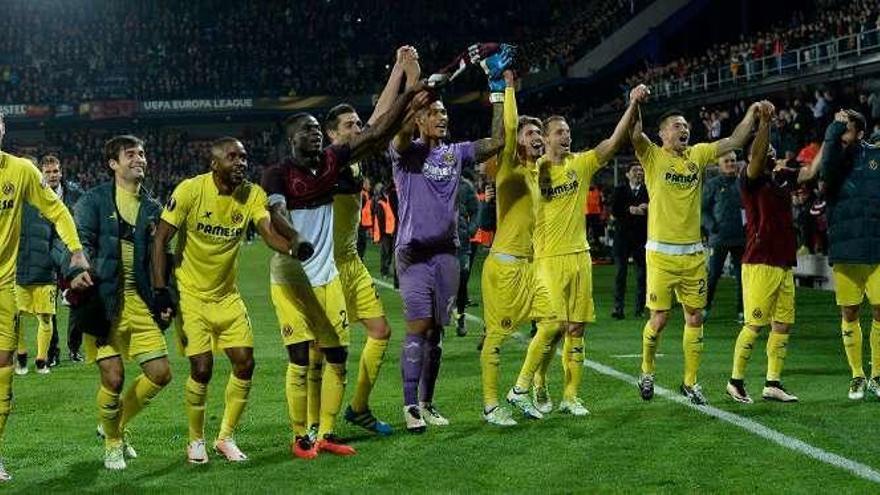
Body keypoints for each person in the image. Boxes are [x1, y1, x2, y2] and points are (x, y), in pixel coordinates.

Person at [262, 80, 429, 457]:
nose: (357, 128)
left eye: (358, 123)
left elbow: (377, 129)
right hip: (304, 270)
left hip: (343, 266)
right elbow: (276, 211)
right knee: (309, 356)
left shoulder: (338, 163)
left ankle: (338, 422)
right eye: (347, 125)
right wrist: (293, 240)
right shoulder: (301, 169)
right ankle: (306, 433)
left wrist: (409, 86)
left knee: (351, 346)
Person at [152, 137, 300, 464]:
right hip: (191, 295)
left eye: (244, 157)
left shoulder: (251, 195)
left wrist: (292, 247)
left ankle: (225, 437)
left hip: (227, 295)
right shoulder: (190, 190)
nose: (241, 163)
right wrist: (161, 290)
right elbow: (161, 238)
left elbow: (268, 232)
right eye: (232, 157)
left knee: (245, 362)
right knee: (202, 369)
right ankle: (195, 441)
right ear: (214, 163)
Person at [507, 84, 646, 418]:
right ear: (546, 137)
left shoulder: (580, 164)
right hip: (546, 260)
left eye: (568, 131)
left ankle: (571, 396)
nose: (565, 137)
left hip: (580, 256)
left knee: (576, 329)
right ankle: (526, 386)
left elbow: (613, 142)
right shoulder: (533, 169)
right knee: (551, 327)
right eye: (559, 132)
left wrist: (632, 104)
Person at [392, 46, 512, 432]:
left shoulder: (456, 154)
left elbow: (497, 142)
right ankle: (409, 405)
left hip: (447, 254)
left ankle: (427, 402)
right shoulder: (404, 154)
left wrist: (498, 90)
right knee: (418, 325)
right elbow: (398, 132)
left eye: (444, 113)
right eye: (434, 113)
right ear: (420, 119)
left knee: (437, 332)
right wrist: (416, 95)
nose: (442, 117)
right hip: (412, 254)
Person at [631, 98, 763, 405]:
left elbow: (736, 140)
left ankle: (690, 382)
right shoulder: (651, 156)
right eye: (677, 126)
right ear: (662, 134)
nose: (684, 129)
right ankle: (647, 371)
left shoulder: (698, 154)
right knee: (660, 319)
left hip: (693, 254)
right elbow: (634, 132)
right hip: (661, 254)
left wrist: (752, 113)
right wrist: (635, 101)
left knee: (695, 317)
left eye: (686, 126)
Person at [70, 135, 172, 471]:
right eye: (130, 155)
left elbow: (162, 260)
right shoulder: (94, 200)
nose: (139, 159)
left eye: (142, 153)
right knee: (112, 378)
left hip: (139, 303)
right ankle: (113, 442)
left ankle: (113, 424)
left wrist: (166, 296)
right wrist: (78, 270)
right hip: (103, 302)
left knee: (160, 373)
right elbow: (76, 240)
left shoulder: (154, 208)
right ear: (113, 163)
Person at [0, 111, 90, 481]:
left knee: (3, 369)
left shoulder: (20, 170)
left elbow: (55, 207)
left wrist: (76, 250)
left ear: (2, 129)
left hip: (3, 287)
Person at [728, 102, 820, 404]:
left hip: (782, 261)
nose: (769, 152)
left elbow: (810, 172)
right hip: (759, 260)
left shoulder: (780, 178)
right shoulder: (750, 178)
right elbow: (756, 156)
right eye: (763, 149)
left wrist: (832, 138)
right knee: (754, 324)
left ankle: (772, 382)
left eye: (771, 149)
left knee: (782, 324)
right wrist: (764, 122)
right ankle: (736, 381)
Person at [478, 71, 554, 426]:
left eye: (540, 133)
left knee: (553, 322)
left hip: (530, 266)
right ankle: (491, 405)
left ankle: (520, 390)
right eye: (531, 133)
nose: (537, 138)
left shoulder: (537, 172)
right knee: (497, 336)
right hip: (505, 267)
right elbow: (508, 128)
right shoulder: (508, 163)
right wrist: (508, 87)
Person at [819, 109, 880, 400]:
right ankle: (857, 374)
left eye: (844, 128)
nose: (839, 133)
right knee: (850, 312)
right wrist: (832, 131)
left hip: (876, 248)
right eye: (836, 128)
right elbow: (825, 174)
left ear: (860, 133)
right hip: (845, 250)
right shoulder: (832, 160)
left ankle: (877, 375)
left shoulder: (875, 157)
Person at [13, 155, 67, 375]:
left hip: (45, 271)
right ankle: (22, 355)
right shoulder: (11, 200)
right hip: (18, 269)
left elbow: (61, 234)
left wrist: (52, 257)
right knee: (15, 315)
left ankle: (42, 361)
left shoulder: (48, 199)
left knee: (45, 316)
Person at [38, 155, 85, 365]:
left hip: (68, 254)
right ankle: (53, 352)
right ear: (42, 173)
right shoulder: (33, 193)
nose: (52, 175)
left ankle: (74, 349)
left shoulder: (75, 193)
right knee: (49, 306)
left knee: (77, 300)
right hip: (44, 255)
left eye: (55, 171)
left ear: (61, 172)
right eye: (47, 172)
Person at [702, 151, 746, 322]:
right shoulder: (712, 184)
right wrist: (712, 226)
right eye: (726, 161)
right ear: (719, 164)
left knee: (743, 276)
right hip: (719, 238)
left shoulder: (742, 184)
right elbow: (703, 209)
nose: (730, 164)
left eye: (733, 161)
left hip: (740, 238)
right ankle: (705, 308)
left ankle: (742, 311)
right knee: (713, 275)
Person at [611, 163, 648, 320]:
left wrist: (649, 207)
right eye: (635, 170)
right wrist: (630, 209)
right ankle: (618, 308)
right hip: (623, 238)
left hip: (641, 239)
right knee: (621, 274)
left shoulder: (649, 190)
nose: (638, 173)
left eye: (640, 170)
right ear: (627, 174)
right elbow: (614, 210)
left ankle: (640, 309)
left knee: (642, 275)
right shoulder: (619, 190)